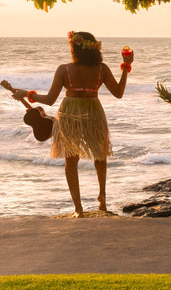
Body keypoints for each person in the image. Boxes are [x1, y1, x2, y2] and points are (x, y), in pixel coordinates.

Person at [38, 30, 130, 216]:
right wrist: (125, 67)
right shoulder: (101, 69)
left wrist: (29, 95)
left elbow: (49, 99)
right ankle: (102, 201)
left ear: (76, 50)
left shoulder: (64, 69)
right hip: (93, 110)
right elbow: (119, 93)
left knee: (71, 159)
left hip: (70, 112)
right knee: (100, 156)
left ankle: (78, 209)